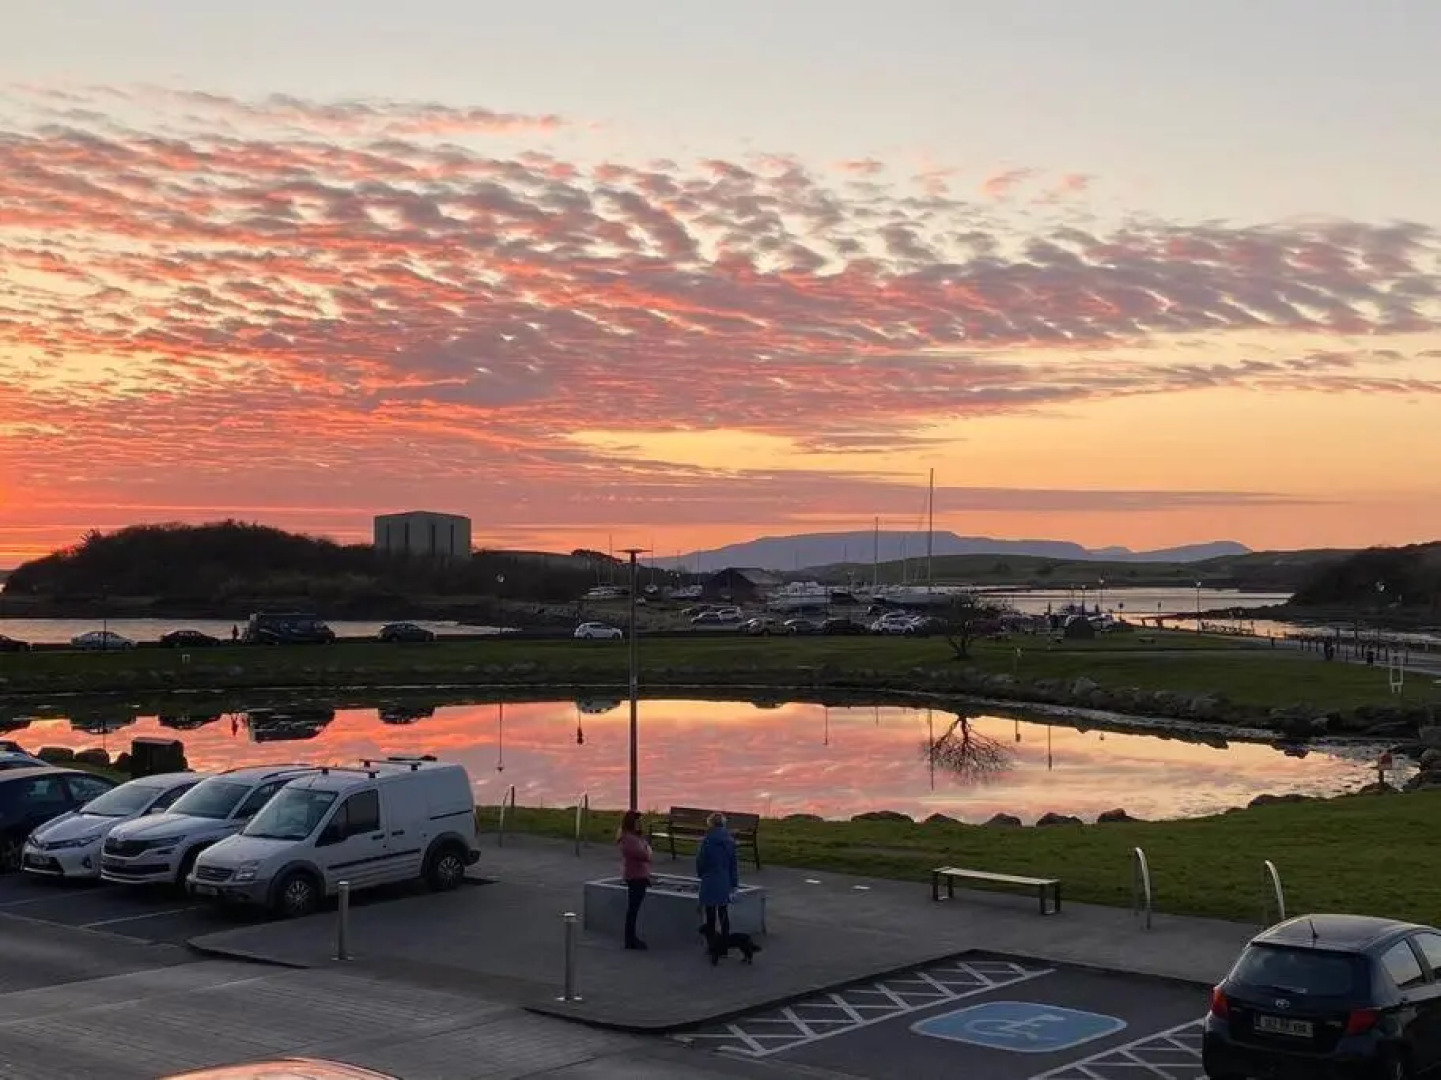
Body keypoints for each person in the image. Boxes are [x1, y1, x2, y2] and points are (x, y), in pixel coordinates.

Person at [696, 811, 739, 942]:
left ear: (710, 824)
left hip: (709, 878)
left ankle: (712, 943)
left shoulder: (707, 841)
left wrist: (701, 873)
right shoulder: (730, 841)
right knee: (723, 912)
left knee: (710, 913)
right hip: (724, 879)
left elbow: (701, 860)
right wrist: (734, 883)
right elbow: (733, 864)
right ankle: (725, 943)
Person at [616, 810, 652, 950]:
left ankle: (631, 938)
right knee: (633, 909)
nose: (640, 824)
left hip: (639, 875)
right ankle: (630, 939)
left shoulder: (633, 837)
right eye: (638, 821)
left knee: (633, 909)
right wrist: (647, 847)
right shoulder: (630, 839)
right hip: (636, 876)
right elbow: (645, 855)